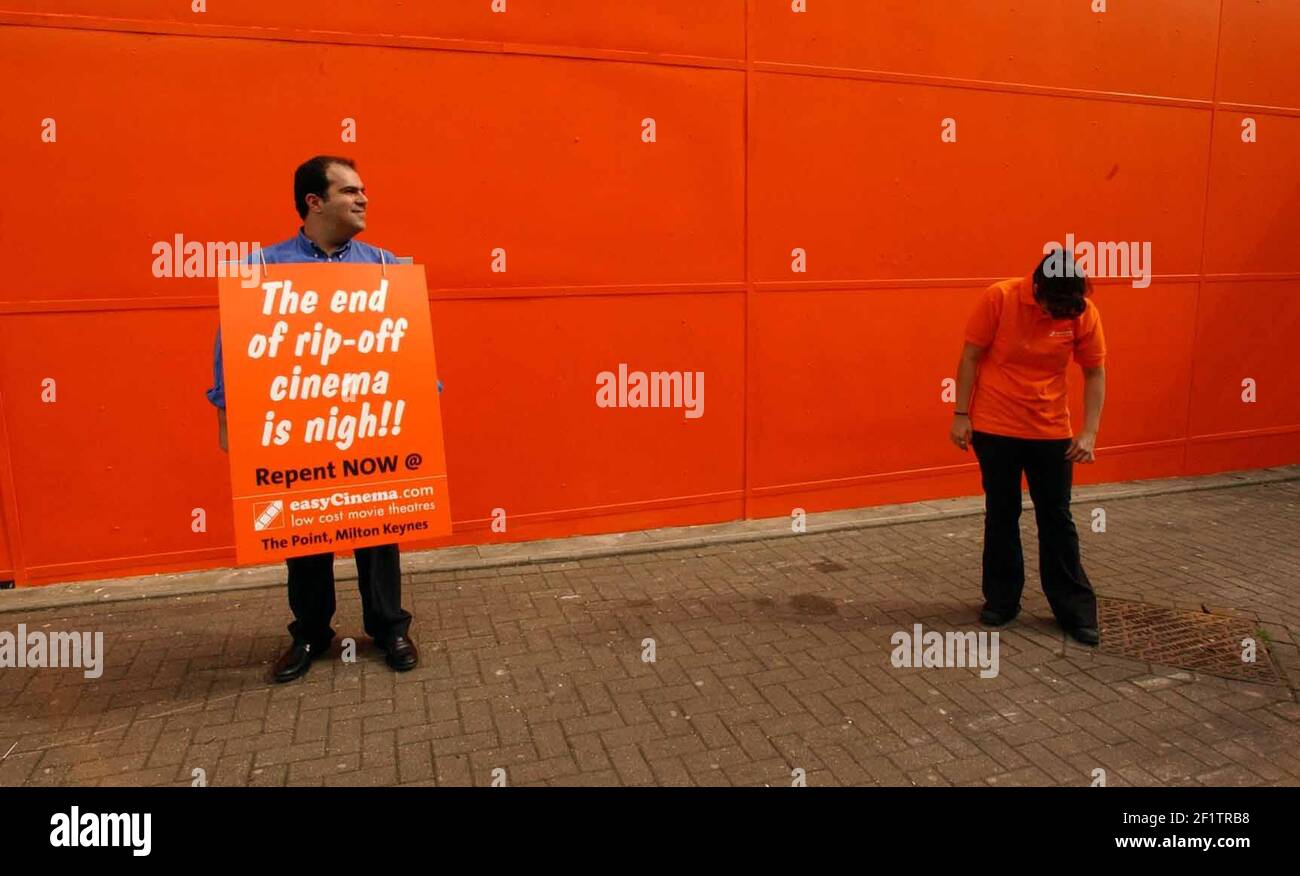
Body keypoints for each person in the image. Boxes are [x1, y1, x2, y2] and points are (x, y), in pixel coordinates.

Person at [207, 154, 422, 682]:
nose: (363, 198)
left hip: (368, 424)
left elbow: (410, 348)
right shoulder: (263, 268)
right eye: (350, 191)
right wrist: (226, 415)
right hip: (299, 431)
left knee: (379, 527)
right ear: (314, 201)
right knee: (303, 535)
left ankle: (390, 627)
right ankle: (310, 634)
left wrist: (422, 401)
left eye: (363, 189)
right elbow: (231, 348)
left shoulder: (385, 267)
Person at [949, 249, 1106, 646]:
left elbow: (1094, 371)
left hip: (1051, 430)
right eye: (1055, 305)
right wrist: (961, 414)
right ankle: (1002, 601)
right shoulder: (999, 299)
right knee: (1002, 514)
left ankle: (1074, 609)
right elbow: (970, 357)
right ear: (1037, 290)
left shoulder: (1081, 311)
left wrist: (1089, 433)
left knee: (1057, 519)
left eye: (1069, 307)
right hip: (996, 427)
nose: (1061, 314)